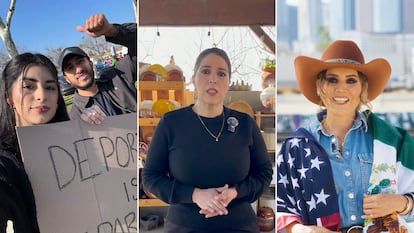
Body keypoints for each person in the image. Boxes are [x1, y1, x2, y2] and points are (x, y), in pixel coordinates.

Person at [277, 40, 414, 233]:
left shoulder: (394, 141)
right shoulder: (296, 147)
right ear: (319, 86)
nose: (341, 89)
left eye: (351, 80)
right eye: (332, 79)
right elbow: (282, 208)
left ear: (363, 88)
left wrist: (402, 203)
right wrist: (304, 230)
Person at [142, 47, 273, 233]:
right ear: (193, 79)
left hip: (239, 226)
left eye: (221, 73)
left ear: (228, 82)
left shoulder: (246, 124)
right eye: (205, 71)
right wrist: (194, 195)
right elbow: (150, 178)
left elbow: (264, 173)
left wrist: (235, 192)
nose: (213, 79)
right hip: (184, 226)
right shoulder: (171, 123)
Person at [0, 53, 70, 233]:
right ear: (8, 97)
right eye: (29, 87)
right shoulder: (5, 162)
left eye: (50, 87)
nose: (41, 95)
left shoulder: (73, 142)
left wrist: (92, 127)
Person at [58, 13, 137, 124]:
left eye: (80, 61)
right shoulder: (74, 118)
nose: (79, 69)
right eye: (70, 68)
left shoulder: (118, 76)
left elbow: (142, 42)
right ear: (66, 79)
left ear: (90, 63)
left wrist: (112, 31)